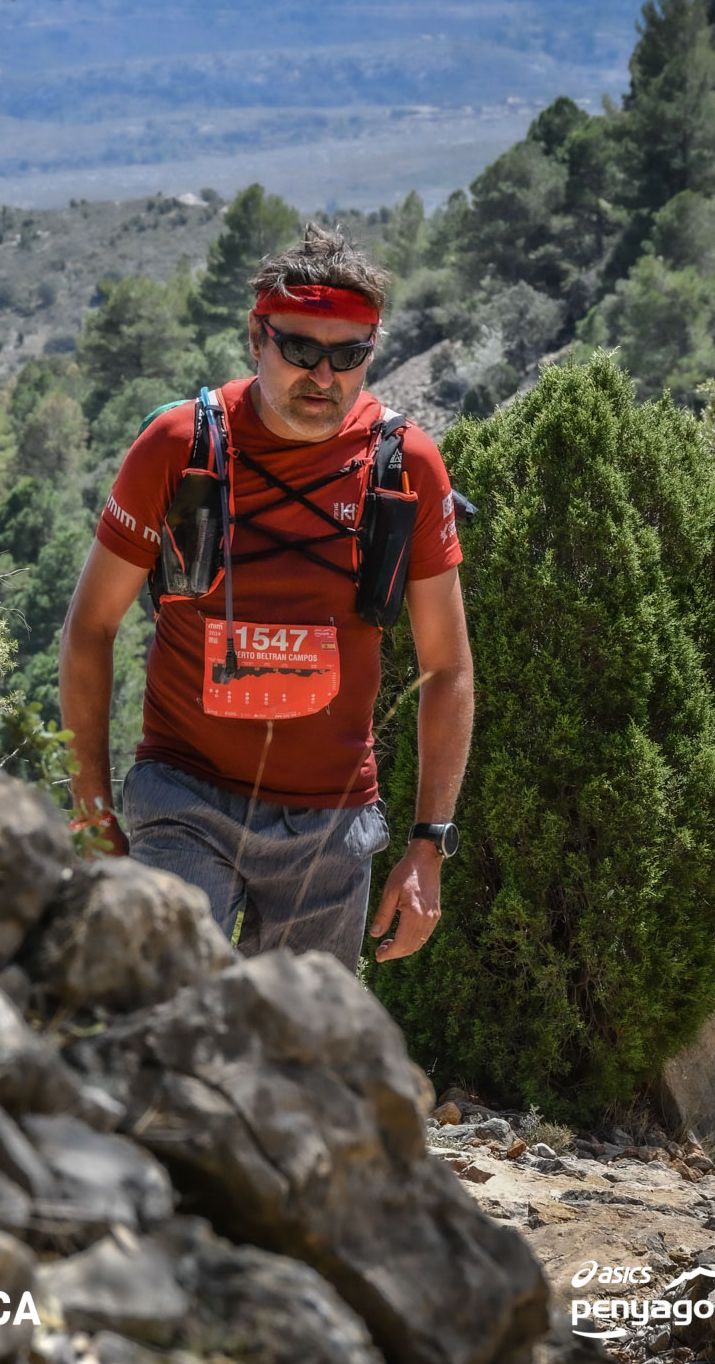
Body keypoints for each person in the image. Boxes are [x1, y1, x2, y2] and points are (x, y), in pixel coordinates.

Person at [59, 223, 473, 969]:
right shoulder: (177, 448)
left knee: (295, 1040)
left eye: (348, 355)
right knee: (165, 1008)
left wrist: (427, 846)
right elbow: (91, 626)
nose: (324, 375)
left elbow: (447, 667)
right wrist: (91, 812)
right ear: (256, 337)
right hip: (184, 800)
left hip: (332, 823)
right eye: (300, 350)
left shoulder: (405, 465)